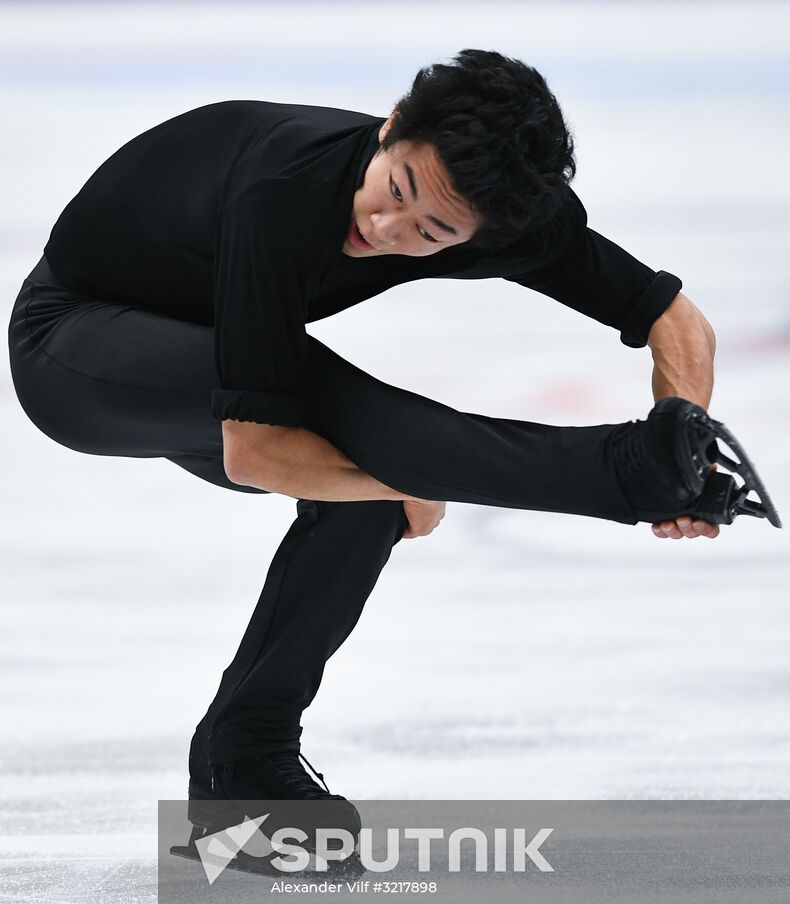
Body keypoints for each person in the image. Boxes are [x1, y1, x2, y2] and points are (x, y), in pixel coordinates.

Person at [6, 50, 777, 833]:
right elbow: (256, 453)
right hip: (70, 344)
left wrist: (685, 440)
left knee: (361, 489)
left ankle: (244, 768)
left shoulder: (498, 220)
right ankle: (619, 476)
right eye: (396, 188)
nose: (383, 227)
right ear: (392, 128)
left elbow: (678, 322)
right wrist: (405, 475)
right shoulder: (285, 192)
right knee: (348, 426)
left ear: (481, 238)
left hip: (200, 334)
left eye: (431, 230)